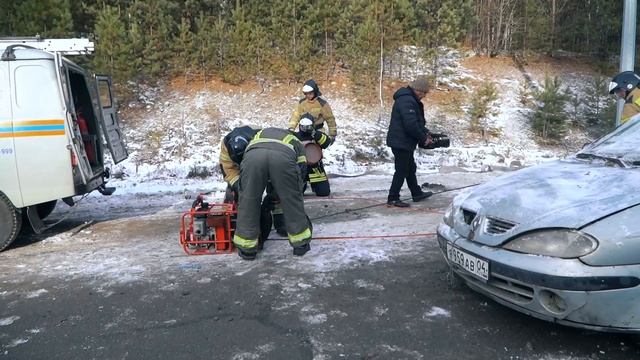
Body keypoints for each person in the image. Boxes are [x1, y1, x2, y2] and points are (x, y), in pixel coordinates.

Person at [233, 127, 312, 260]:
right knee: (291, 200)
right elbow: (302, 170)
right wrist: (293, 191)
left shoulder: (259, 135)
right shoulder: (296, 141)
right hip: (283, 158)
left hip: (253, 157)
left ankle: (247, 249)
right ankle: (300, 245)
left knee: (248, 201)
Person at [218, 126, 285, 243]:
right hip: (245, 165)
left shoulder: (263, 142)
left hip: (265, 160)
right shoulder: (226, 145)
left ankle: (281, 220)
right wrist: (239, 186)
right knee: (234, 192)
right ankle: (233, 222)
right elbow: (228, 170)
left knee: (276, 189)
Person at [385, 75, 434, 208]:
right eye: (424, 93)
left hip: (403, 141)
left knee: (410, 168)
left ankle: (416, 193)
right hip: (401, 141)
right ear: (418, 90)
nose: (424, 96)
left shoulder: (408, 99)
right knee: (401, 170)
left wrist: (425, 131)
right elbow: (410, 124)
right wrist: (423, 138)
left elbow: (415, 122)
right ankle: (393, 197)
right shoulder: (407, 100)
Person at [294, 113, 333, 197]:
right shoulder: (295, 137)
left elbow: (327, 143)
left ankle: (316, 186)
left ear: (312, 125)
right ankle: (302, 185)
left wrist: (316, 135)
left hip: (315, 169)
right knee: (297, 194)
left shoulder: (317, 135)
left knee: (324, 192)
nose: (305, 129)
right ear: (300, 125)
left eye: (308, 127)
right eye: (303, 127)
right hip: (300, 170)